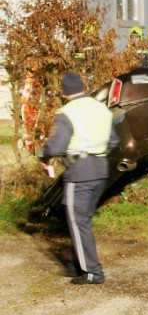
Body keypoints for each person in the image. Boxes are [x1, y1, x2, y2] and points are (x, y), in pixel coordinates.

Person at [39, 73, 119, 285]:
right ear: (83, 87)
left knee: (77, 220)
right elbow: (114, 141)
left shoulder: (68, 112)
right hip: (100, 170)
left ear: (64, 92)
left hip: (80, 172)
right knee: (82, 220)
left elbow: (57, 146)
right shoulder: (101, 108)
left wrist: (44, 156)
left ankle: (92, 272)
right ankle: (81, 264)